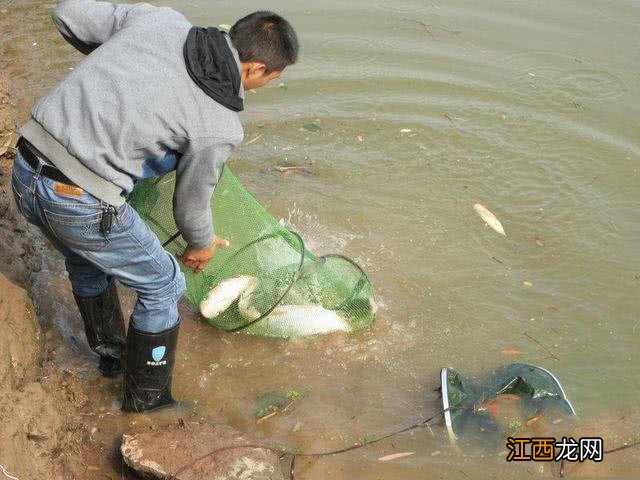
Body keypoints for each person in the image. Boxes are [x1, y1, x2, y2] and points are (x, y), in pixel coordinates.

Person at [10, 1, 299, 413]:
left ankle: (112, 356)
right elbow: (191, 205)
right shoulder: (219, 124)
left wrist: (116, 67)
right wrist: (201, 246)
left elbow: (68, 12)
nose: (268, 83)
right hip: (77, 201)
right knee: (164, 284)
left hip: (25, 170)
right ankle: (147, 403)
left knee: (86, 259)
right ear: (254, 69)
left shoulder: (159, 21)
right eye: (274, 77)